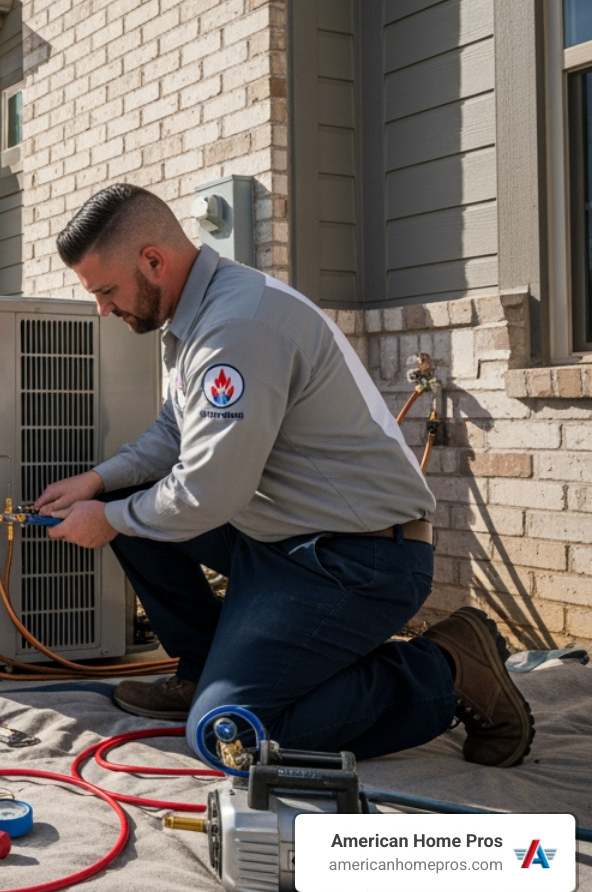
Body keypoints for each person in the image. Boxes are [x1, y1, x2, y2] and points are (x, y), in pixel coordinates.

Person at [33, 183, 534, 766]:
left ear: (153, 261)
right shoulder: (194, 315)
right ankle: (205, 669)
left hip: (357, 560)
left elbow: (204, 493)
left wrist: (110, 518)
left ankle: (446, 668)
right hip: (280, 537)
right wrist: (98, 482)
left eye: (106, 291)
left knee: (233, 734)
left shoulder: (236, 326)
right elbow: (173, 433)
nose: (102, 308)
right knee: (125, 498)